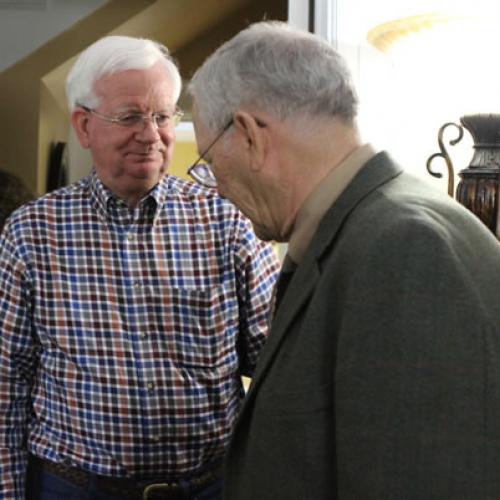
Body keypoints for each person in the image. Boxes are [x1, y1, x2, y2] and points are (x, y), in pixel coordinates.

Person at [188, 21, 500, 500]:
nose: (216, 187)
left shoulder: (404, 250)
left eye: (209, 163)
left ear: (250, 134)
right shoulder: (363, 233)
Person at [0, 35, 279, 500]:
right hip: (73, 489)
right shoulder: (32, 232)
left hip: (211, 486)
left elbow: (277, 361)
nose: (151, 135)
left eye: (163, 116)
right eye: (130, 117)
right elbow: (6, 387)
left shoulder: (225, 219)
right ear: (84, 127)